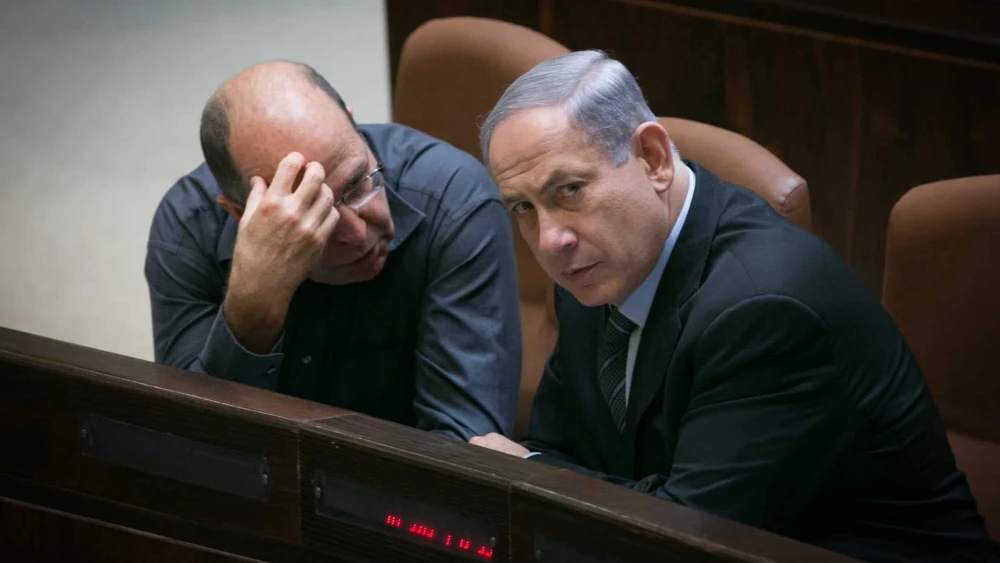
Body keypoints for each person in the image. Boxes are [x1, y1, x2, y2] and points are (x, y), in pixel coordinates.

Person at [468, 50, 999, 562]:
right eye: (523, 207)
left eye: (568, 190)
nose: (548, 240)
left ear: (652, 159)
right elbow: (562, 444)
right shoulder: (594, 263)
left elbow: (688, 538)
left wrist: (531, 472)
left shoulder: (766, 309)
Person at [144, 61, 522, 440]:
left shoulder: (453, 202)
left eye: (359, 184)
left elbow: (465, 448)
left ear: (354, 127)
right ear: (240, 215)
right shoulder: (189, 228)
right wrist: (252, 306)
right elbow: (193, 443)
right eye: (310, 213)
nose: (357, 233)